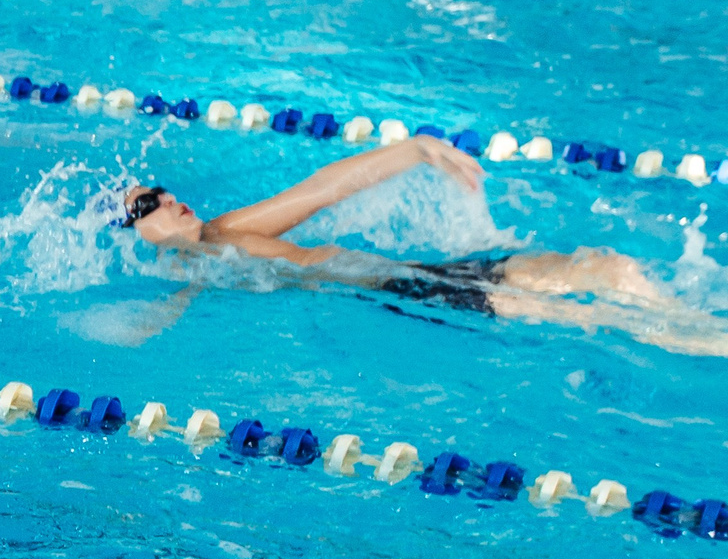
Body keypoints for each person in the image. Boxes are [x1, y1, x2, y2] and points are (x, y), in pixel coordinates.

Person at [112, 141, 728, 356]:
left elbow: (320, 190)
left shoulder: (222, 230)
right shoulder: (192, 267)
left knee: (605, 267)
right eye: (147, 204)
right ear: (134, 232)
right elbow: (171, 314)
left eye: (163, 191)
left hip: (416, 271)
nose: (168, 200)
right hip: (403, 290)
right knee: (586, 312)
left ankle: (701, 323)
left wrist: (415, 149)